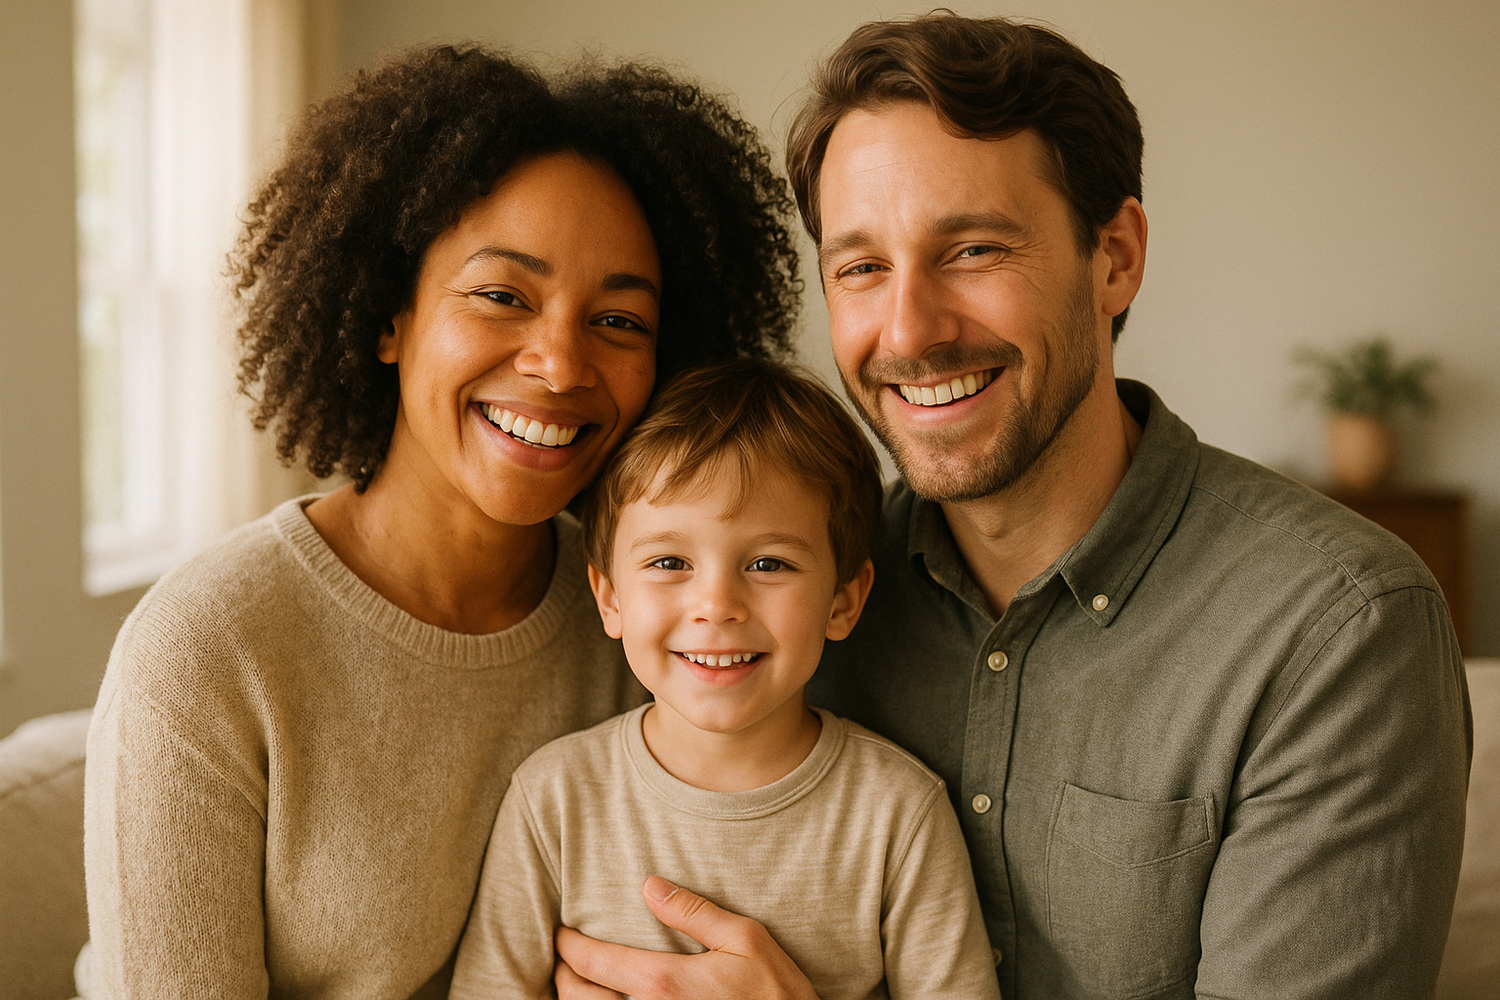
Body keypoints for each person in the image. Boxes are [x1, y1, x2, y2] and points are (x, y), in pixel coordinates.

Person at [553, 13, 1472, 1000]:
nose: (909, 328)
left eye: (974, 249)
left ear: (1114, 256)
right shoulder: (787, 603)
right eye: (861, 268)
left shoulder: (1338, 630)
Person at [82, 44, 801, 998]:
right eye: (503, 296)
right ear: (389, 315)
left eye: (619, 322)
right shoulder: (207, 653)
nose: (560, 364)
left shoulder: (674, 626)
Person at [448, 359, 1002, 1000]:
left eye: (768, 562)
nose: (717, 604)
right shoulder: (553, 800)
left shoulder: (898, 815)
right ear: (609, 597)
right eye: (669, 561)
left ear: (843, 600)